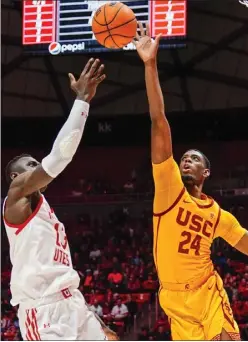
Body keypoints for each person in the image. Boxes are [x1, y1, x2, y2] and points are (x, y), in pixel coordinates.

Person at [133, 22, 248, 341]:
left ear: (206, 172)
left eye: (194, 159)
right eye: (184, 158)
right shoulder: (169, 188)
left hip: (206, 292)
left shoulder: (217, 214)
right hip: (173, 300)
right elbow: (159, 123)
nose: (186, 160)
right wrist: (150, 65)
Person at [3, 58, 118, 341]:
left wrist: (91, 314)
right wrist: (82, 101)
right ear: (14, 178)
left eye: (35, 165)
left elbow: (61, 270)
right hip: (42, 311)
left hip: (72, 302)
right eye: (30, 166)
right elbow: (59, 157)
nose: (36, 169)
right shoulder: (16, 197)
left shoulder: (44, 209)